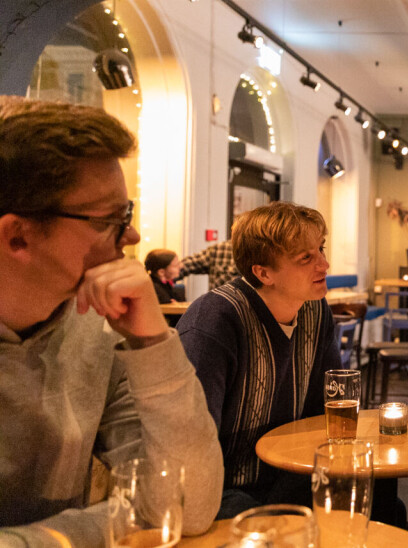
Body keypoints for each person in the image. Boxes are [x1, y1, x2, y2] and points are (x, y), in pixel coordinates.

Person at [0, 96, 222, 545]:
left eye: (129, 213)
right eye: (110, 219)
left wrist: (154, 342)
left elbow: (183, 509)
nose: (133, 235)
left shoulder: (98, 327)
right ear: (18, 237)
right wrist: (97, 528)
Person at [176, 201, 341, 519]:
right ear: (263, 273)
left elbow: (328, 405)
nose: (325, 264)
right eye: (306, 258)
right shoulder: (215, 319)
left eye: (320, 249)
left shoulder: (316, 311)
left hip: (292, 471)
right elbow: (191, 441)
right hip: (220, 489)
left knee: (377, 491)